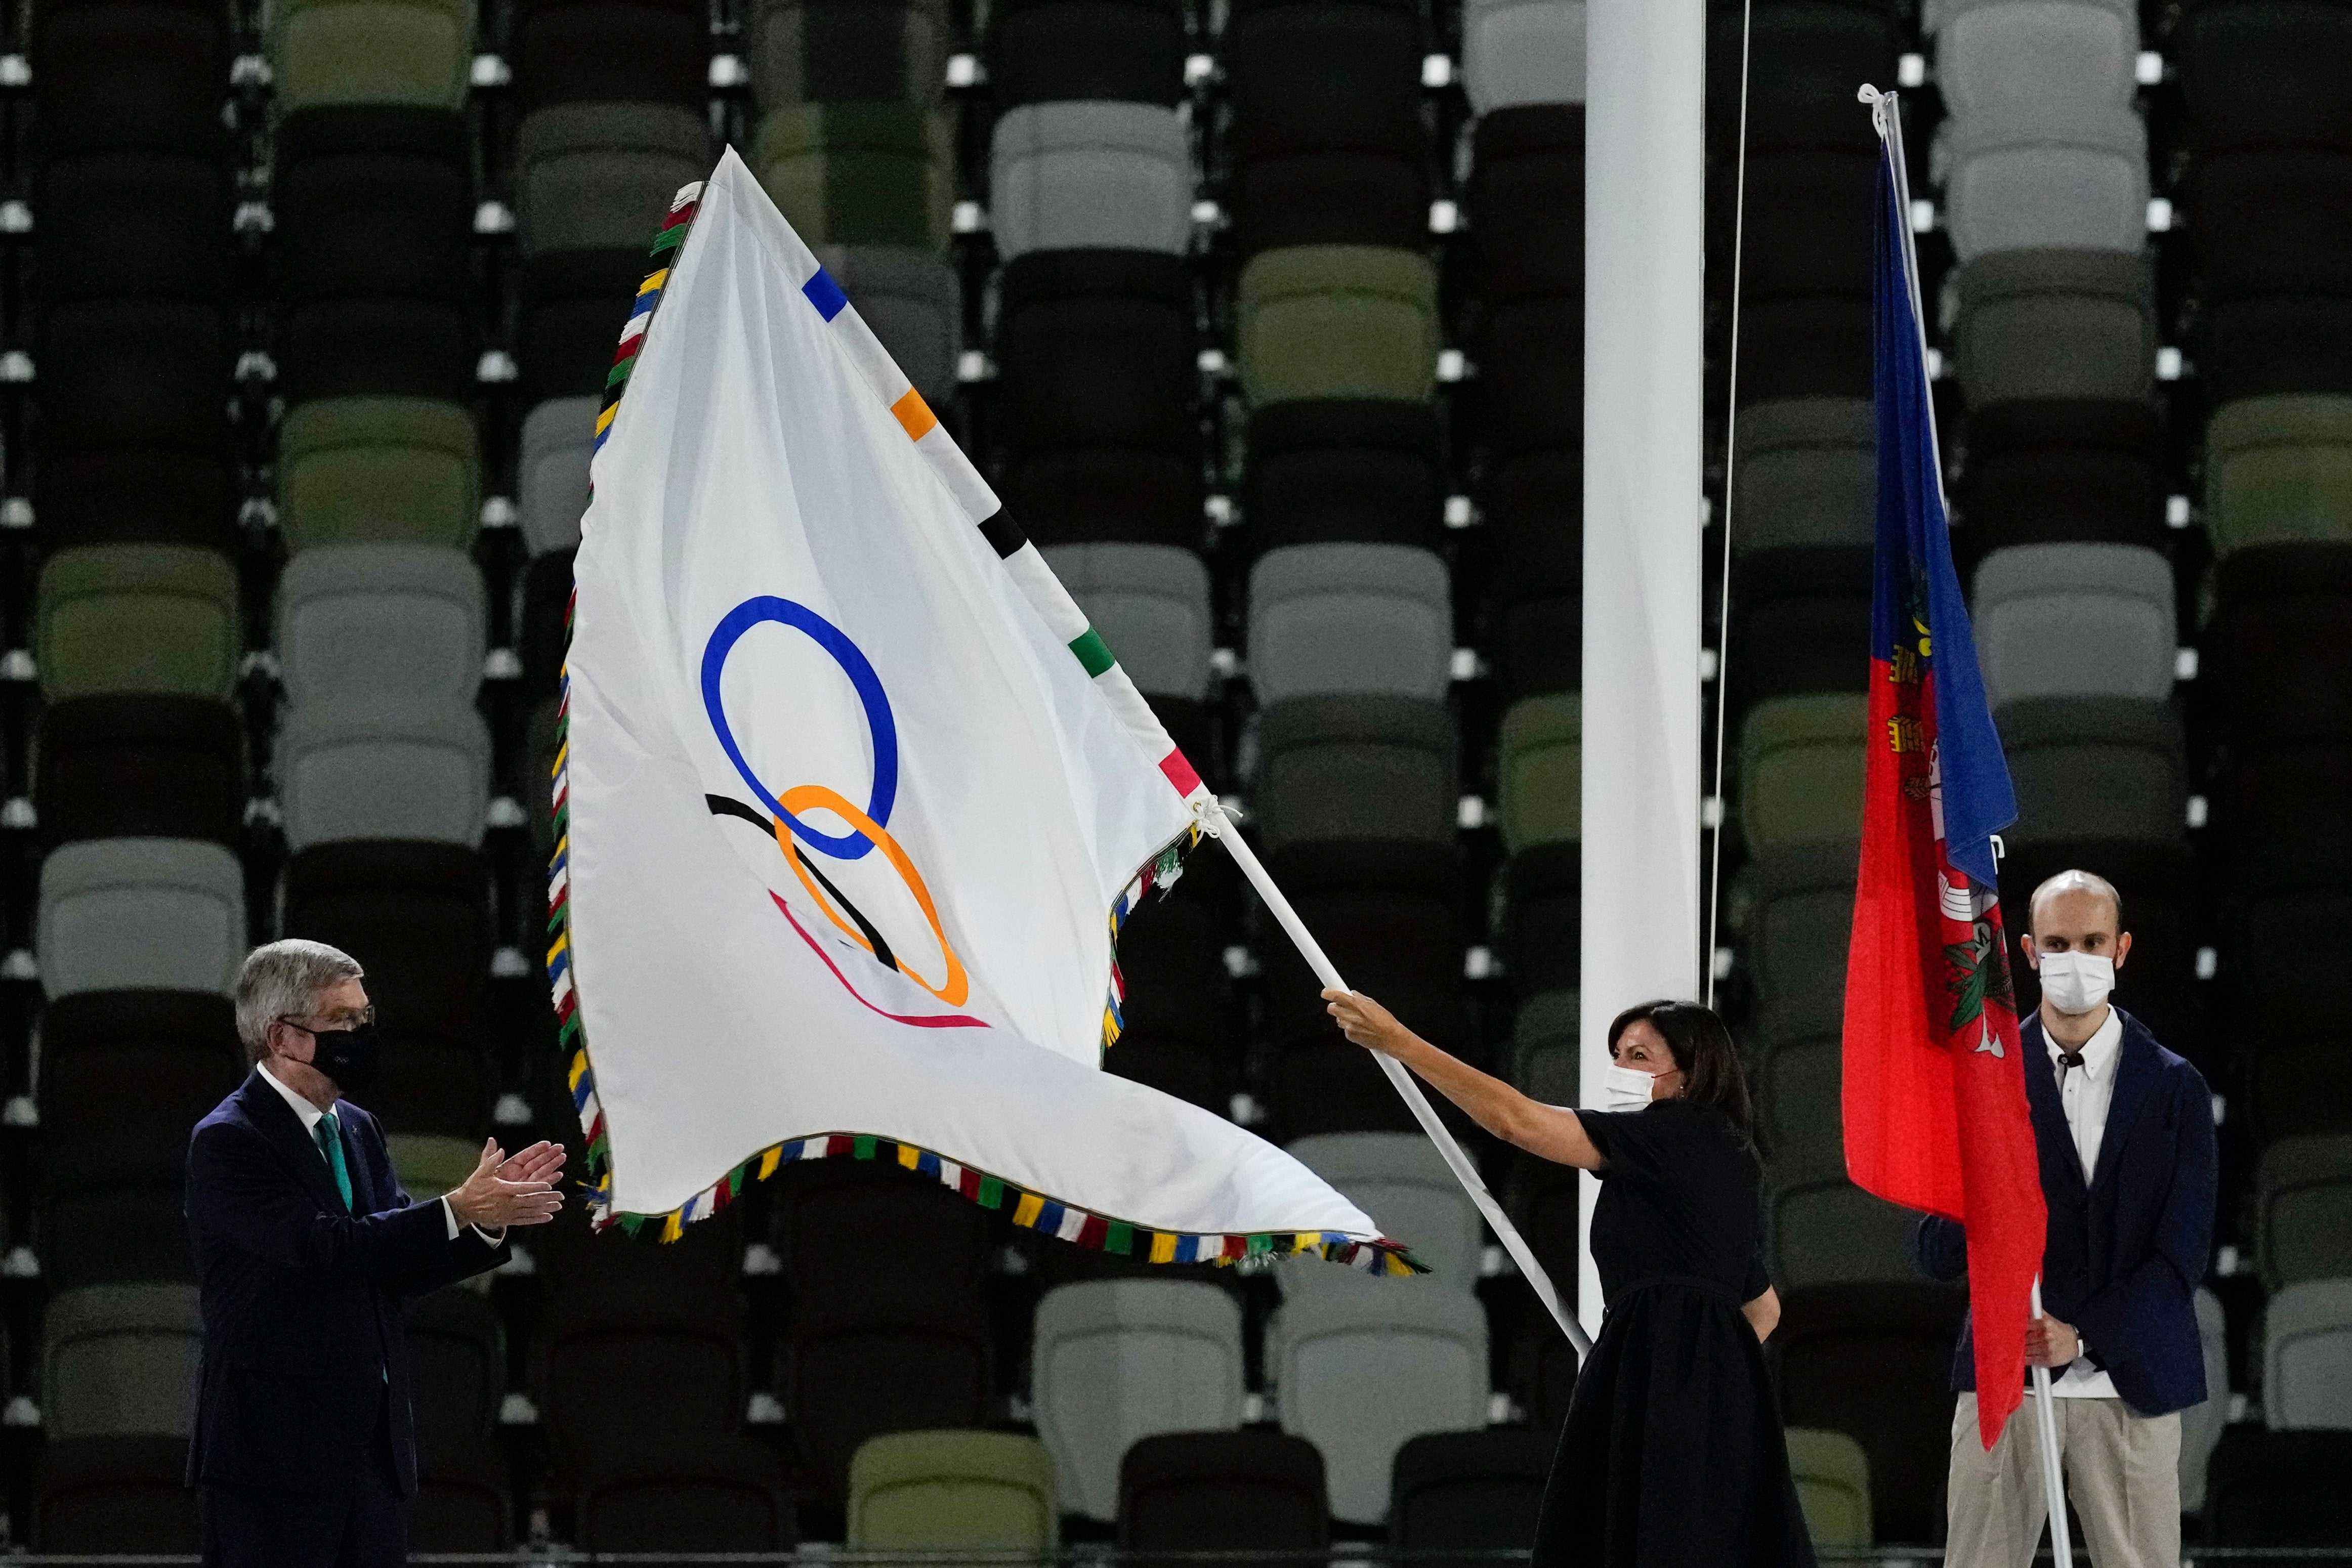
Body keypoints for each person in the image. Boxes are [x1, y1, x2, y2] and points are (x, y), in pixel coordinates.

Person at [1325, 988, 1816, 1568]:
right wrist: (1696, 1370)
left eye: (1639, 1056)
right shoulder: (1714, 1154)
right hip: (1685, 1391)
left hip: (1664, 1392)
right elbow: (1763, 1309)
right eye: (1618, 1054)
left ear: (1689, 1075)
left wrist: (1400, 1043)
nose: (1619, 1069)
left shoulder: (1677, 1134)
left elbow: (1515, 1121)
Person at [187, 939, 570, 1567]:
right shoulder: (230, 1139)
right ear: (283, 1039)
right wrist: (454, 1210)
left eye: (365, 1018)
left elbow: (386, 1263)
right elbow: (322, 1249)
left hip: (370, 1452)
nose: (361, 1034)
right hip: (273, 1458)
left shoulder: (357, 1128)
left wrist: (483, 1225)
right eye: (342, 1021)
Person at [1915, 869, 2216, 1568]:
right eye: (2057, 941)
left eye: (2091, 940)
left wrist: (2081, 1335)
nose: (2074, 957)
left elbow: (2181, 1258)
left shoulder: (2176, 1087)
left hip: (2128, 1384)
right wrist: (1988, 1179)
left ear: (2122, 948)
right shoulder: (1982, 1079)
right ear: (2026, 950)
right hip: (2004, 1384)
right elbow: (1933, 1248)